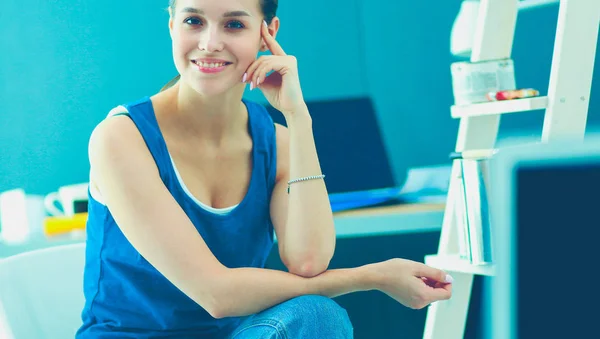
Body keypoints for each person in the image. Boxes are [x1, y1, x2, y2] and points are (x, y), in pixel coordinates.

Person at [76, 0, 453, 338]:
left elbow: (309, 261)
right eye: (193, 21)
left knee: (317, 315)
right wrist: (373, 277)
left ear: (267, 32)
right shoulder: (121, 137)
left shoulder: (276, 141)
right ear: (172, 26)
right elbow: (216, 294)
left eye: (234, 25)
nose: (209, 43)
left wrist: (298, 117)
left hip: (237, 334)